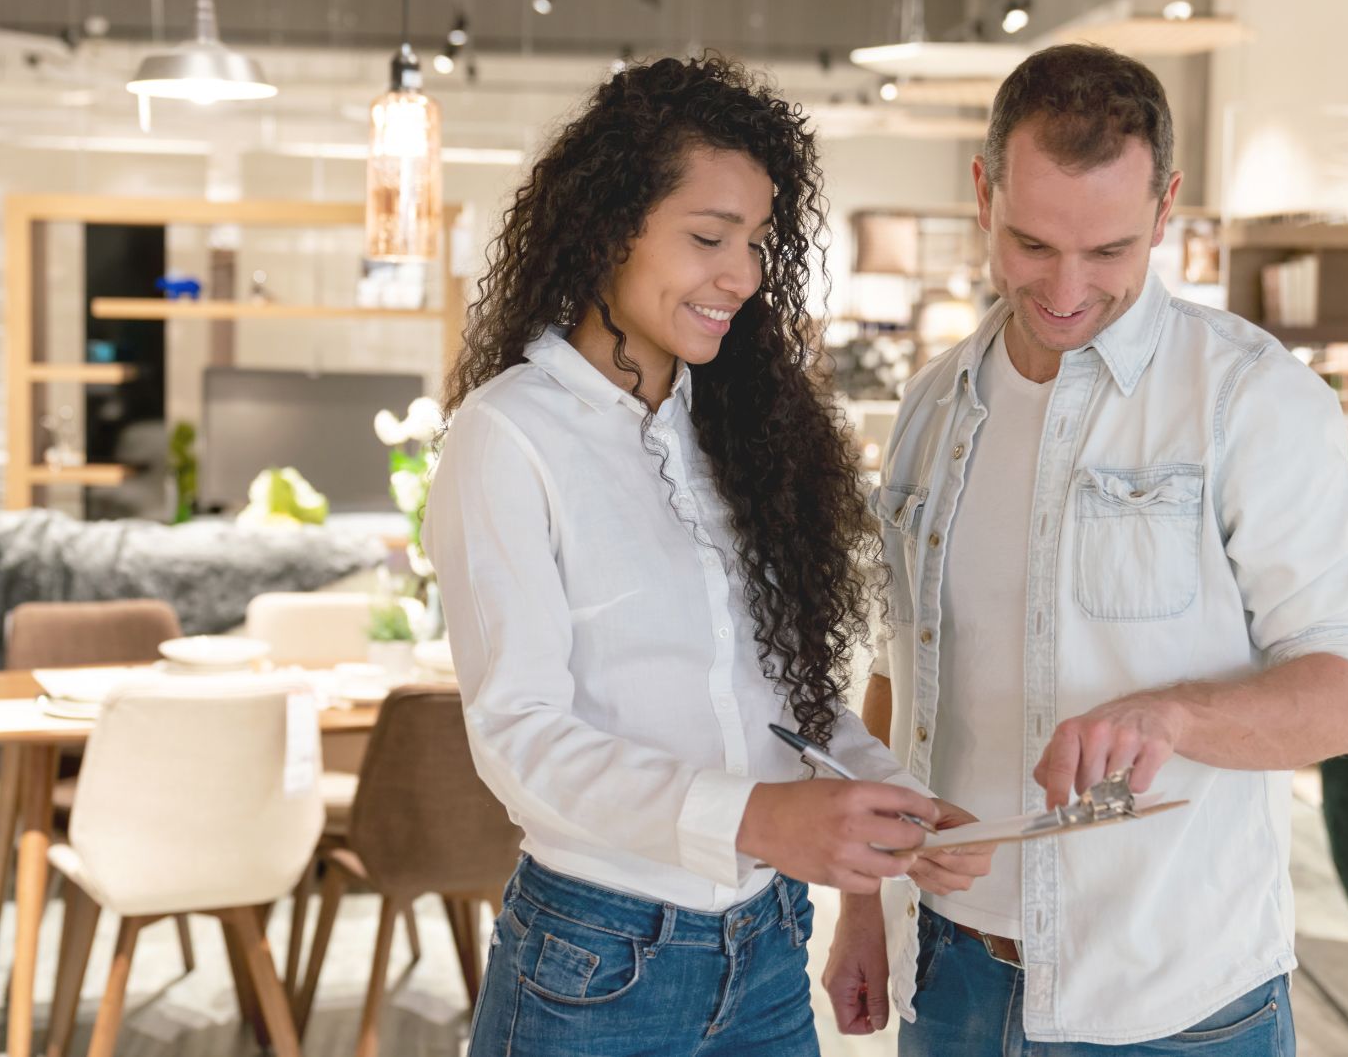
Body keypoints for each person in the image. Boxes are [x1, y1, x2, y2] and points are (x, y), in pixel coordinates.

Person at [823, 43, 1348, 1056]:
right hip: (949, 985)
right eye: (1033, 244)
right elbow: (896, 672)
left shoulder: (1249, 402)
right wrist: (864, 906)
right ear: (982, 193)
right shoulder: (932, 405)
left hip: (1174, 1004)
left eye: (1110, 252)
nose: (1065, 288)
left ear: (1167, 207)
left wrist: (1172, 715)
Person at [424, 54, 992, 1057]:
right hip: (598, 965)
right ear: (607, 227)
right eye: (707, 238)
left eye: (757, 242)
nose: (742, 275)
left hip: (767, 951)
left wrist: (883, 799)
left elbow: (786, 702)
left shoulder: (738, 433)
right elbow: (520, 741)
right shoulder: (508, 437)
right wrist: (760, 820)